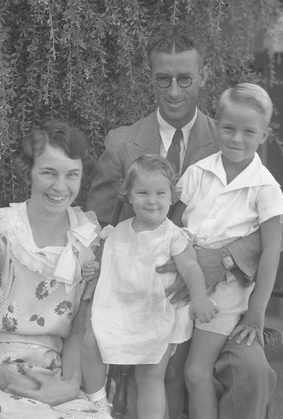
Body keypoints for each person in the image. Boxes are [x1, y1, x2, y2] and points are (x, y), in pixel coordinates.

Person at [86, 22, 283, 419]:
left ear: (204, 75)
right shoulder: (122, 142)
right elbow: (98, 223)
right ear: (150, 78)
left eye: (185, 78)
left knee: (251, 373)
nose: (174, 91)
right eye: (163, 79)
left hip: (220, 297)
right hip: (146, 293)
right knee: (145, 371)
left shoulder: (232, 135)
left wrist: (225, 259)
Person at [171, 83, 283, 419]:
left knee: (196, 371)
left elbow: (271, 251)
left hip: (225, 291)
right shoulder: (198, 172)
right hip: (182, 278)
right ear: (217, 125)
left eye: (248, 132)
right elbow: (171, 226)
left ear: (264, 135)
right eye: (228, 128)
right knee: (172, 369)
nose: (236, 139)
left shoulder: (265, 188)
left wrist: (257, 310)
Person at [82, 154, 217, 419]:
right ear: (129, 195)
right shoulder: (118, 231)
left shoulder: (173, 236)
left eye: (160, 193)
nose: (151, 200)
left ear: (171, 196)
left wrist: (199, 298)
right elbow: (115, 263)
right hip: (122, 308)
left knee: (150, 375)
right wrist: (97, 269)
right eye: (142, 192)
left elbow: (190, 267)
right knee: (91, 341)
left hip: (156, 313)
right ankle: (97, 402)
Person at [0, 120, 112, 419]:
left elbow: (80, 326)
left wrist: (70, 383)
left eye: (72, 175)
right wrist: (8, 379)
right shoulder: (3, 234)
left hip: (55, 372)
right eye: (49, 172)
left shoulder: (88, 239)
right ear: (28, 173)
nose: (61, 187)